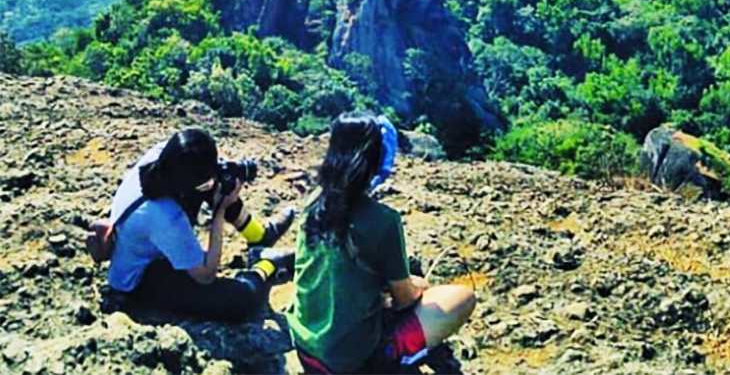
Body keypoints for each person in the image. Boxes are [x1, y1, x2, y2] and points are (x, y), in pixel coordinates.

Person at [287, 113, 476, 374]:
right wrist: (417, 285)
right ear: (374, 161)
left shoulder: (312, 203)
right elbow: (404, 299)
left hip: (306, 347)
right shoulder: (384, 220)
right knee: (462, 297)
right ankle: (393, 356)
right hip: (349, 360)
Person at [105, 127, 296, 322]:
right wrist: (219, 211)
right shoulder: (167, 217)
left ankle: (259, 236)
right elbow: (206, 274)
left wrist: (221, 174)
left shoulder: (162, 158)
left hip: (146, 242)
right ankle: (266, 264)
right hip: (141, 279)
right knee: (243, 300)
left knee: (215, 184)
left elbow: (196, 167)